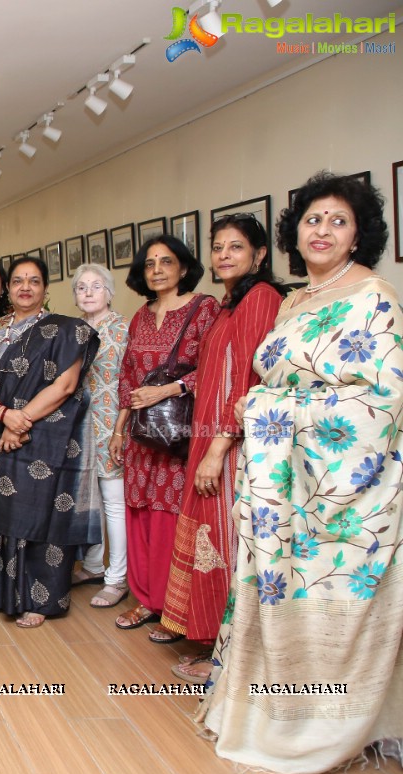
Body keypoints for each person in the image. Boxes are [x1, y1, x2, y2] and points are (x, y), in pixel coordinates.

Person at [199, 172, 403, 774]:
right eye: (314, 220)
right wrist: (259, 406)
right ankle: (267, 710)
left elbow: (380, 404)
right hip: (281, 480)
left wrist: (265, 408)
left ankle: (326, 723)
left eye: (338, 221)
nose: (323, 231)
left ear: (358, 235)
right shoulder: (294, 299)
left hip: (341, 486)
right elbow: (278, 377)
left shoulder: (374, 298)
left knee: (328, 594)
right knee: (275, 589)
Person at [160, 217, 285, 681]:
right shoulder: (231, 303)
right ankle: (221, 650)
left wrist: (217, 450)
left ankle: (236, 661)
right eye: (218, 247)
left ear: (259, 255)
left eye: (237, 247)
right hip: (209, 439)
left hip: (231, 446)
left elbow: (249, 383)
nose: (225, 255)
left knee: (231, 546)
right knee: (213, 543)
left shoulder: (261, 299)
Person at [0, 257, 100, 628]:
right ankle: (1, 589)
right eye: (18, 281)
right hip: (0, 430)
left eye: (34, 281)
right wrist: (4, 414)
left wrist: (21, 419)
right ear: (8, 289)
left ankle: (40, 599)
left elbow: (65, 386)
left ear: (45, 289)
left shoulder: (65, 330)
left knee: (43, 513)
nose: (25, 287)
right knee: (6, 510)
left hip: (48, 434)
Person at [109, 236, 219, 636]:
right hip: (141, 435)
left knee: (169, 518)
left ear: (184, 268)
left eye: (166, 262)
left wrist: (166, 391)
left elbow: (214, 365)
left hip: (178, 433)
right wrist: (119, 428)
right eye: (150, 263)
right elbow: (128, 375)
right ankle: (144, 599)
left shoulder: (203, 308)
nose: (156, 269)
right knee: (138, 514)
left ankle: (172, 608)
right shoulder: (140, 315)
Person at [69, 264, 130, 609]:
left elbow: (131, 382)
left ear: (109, 292)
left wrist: (121, 428)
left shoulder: (122, 328)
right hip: (80, 425)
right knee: (87, 499)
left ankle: (116, 578)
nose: (88, 292)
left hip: (111, 425)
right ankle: (92, 565)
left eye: (96, 286)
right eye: (81, 287)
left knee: (112, 503)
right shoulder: (73, 330)